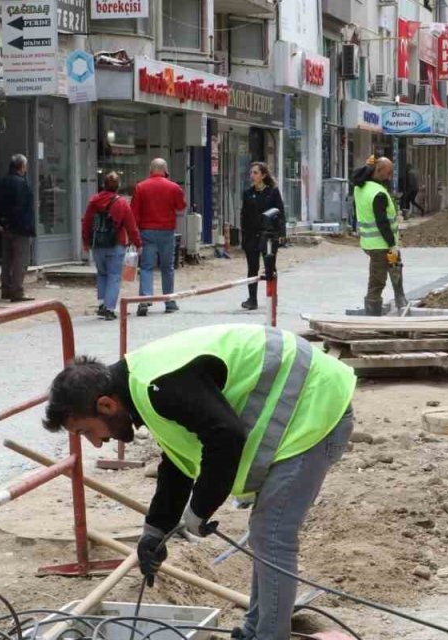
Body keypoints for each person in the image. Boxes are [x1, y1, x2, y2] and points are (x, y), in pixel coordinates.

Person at [41, 324, 356, 640]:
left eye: (86, 432)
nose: (96, 444)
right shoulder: (144, 389)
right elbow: (177, 461)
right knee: (266, 532)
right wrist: (155, 531)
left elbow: (226, 437)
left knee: (272, 534)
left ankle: (269, 635)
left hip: (315, 406)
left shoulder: (160, 384)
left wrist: (199, 510)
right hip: (302, 406)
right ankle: (255, 630)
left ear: (106, 405)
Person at [82, 172, 142, 320]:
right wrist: (137, 243)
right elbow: (131, 225)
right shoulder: (122, 203)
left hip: (97, 244)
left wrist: (86, 242)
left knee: (102, 274)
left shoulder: (94, 201)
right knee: (114, 276)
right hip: (116, 244)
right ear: (118, 186)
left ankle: (102, 303)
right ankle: (109, 308)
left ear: (103, 184)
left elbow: (87, 223)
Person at [132, 158, 187, 317]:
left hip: (146, 231)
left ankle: (145, 299)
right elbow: (181, 207)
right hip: (166, 231)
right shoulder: (173, 187)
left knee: (147, 267)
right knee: (167, 267)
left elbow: (134, 212)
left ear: (151, 169)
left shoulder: (140, 187)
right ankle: (169, 301)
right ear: (165, 170)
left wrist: (134, 235)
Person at [353, 156, 407, 315]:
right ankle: (372, 313)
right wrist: (392, 244)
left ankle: (401, 300)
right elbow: (382, 222)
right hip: (380, 245)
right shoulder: (378, 193)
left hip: (371, 242)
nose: (389, 177)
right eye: (388, 173)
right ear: (378, 170)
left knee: (395, 266)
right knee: (377, 280)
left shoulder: (359, 188)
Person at [239, 162, 284, 311]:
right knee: (252, 268)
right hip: (251, 236)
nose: (252, 176)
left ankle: (272, 297)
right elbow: (244, 215)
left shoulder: (273, 192)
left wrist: (281, 234)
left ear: (263, 175)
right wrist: (243, 236)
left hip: (268, 235)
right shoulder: (247, 193)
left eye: (256, 173)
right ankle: (252, 299)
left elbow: (280, 213)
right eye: (251, 173)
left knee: (270, 267)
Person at [0, 154, 35, 302]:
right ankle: (17, 291)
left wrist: (1, 222)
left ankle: (6, 289)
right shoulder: (22, 184)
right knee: (20, 260)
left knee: (7, 260)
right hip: (20, 227)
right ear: (22, 167)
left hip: (5, 227)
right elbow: (22, 207)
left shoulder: (2, 182)